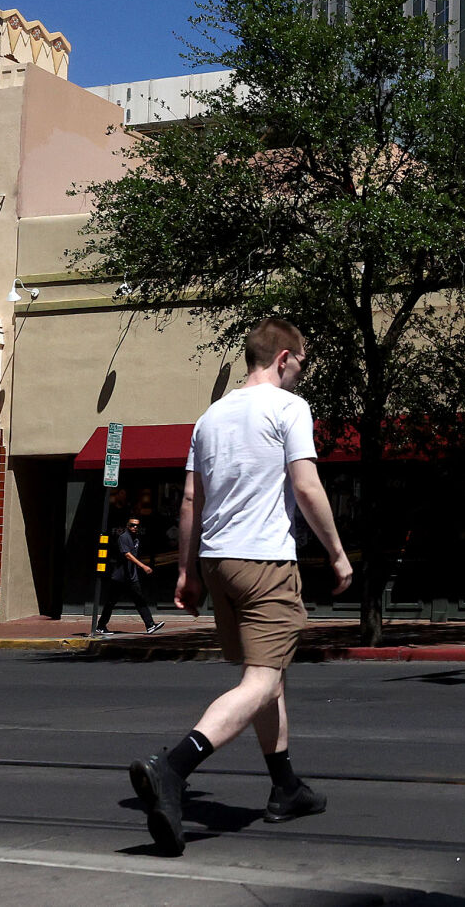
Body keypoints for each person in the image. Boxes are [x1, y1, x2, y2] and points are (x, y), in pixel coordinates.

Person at [128, 317, 353, 855]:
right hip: (265, 562)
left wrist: (186, 573)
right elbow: (305, 484)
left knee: (269, 679)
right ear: (283, 358)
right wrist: (339, 553)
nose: (302, 372)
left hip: (217, 562)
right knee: (260, 680)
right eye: (302, 362)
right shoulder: (287, 408)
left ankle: (285, 787)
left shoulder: (210, 417)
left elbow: (190, 502)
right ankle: (174, 767)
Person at [95, 515, 164, 635]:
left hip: (131, 577)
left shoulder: (136, 539)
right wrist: (143, 566)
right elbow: (127, 555)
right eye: (132, 525)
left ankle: (150, 625)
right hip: (120, 577)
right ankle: (100, 626)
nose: (134, 527)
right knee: (111, 602)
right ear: (127, 526)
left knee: (140, 600)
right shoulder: (124, 537)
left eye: (137, 525)